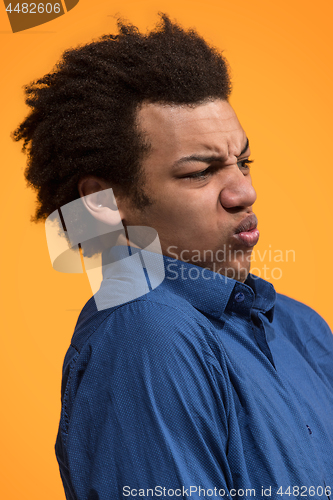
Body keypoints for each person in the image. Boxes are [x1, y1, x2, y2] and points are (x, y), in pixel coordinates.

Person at [13, 14, 333, 500]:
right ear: (101, 202)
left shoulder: (301, 326)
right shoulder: (145, 335)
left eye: (242, 162)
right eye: (200, 173)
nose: (244, 192)